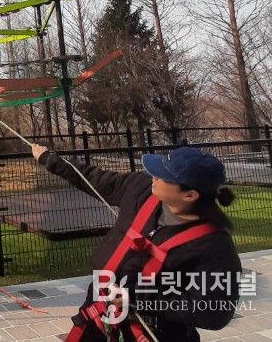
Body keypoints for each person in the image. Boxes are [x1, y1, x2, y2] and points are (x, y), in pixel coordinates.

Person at [31, 144, 241, 341]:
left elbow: (215, 312)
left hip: (155, 331)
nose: (154, 177)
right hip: (101, 311)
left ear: (190, 195)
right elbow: (93, 178)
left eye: (163, 176)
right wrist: (50, 160)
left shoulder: (213, 246)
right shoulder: (140, 189)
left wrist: (136, 297)